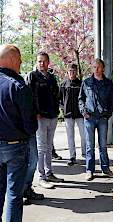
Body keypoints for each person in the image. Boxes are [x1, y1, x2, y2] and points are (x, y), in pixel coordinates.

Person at [0, 44, 38, 222]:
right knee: (14, 194)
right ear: (13, 60)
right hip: (15, 147)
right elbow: (30, 125)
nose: (21, 64)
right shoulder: (17, 86)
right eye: (20, 60)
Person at [26, 52, 64, 189]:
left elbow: (57, 95)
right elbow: (28, 96)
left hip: (52, 116)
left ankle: (49, 173)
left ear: (48, 63)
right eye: (39, 61)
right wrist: (35, 113)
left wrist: (57, 110)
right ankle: (41, 177)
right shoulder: (32, 76)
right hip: (40, 117)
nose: (41, 63)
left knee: (49, 147)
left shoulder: (52, 78)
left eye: (43, 61)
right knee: (41, 148)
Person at [79, 58, 113, 181]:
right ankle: (89, 170)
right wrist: (83, 112)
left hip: (102, 118)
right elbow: (81, 99)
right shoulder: (87, 82)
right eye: (94, 67)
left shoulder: (108, 83)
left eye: (99, 67)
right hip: (89, 118)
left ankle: (105, 169)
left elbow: (112, 100)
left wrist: (108, 113)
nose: (96, 69)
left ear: (103, 68)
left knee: (103, 145)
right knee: (89, 145)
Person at [60, 63, 85, 166]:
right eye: (70, 71)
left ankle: (85, 154)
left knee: (84, 135)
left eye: (74, 71)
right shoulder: (63, 84)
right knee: (70, 136)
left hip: (80, 114)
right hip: (68, 114)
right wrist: (63, 109)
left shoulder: (81, 84)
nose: (72, 73)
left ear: (76, 72)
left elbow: (84, 97)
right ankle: (72, 156)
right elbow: (60, 99)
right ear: (67, 72)